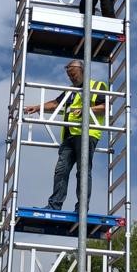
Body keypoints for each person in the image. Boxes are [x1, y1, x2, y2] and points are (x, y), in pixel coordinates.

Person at [23, 59, 108, 211]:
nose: (72, 78)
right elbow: (56, 104)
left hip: (87, 134)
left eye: (74, 74)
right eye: (69, 75)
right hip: (69, 136)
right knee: (61, 170)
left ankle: (81, 208)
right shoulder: (70, 91)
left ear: (83, 71)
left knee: (83, 172)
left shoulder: (96, 86)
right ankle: (54, 205)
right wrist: (37, 107)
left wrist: (87, 110)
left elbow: (106, 106)